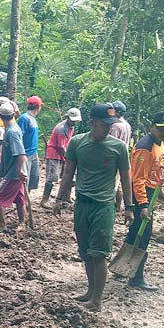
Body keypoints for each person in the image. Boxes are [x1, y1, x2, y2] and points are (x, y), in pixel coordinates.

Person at [53, 103, 135, 312]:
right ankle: (90, 292)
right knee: (86, 251)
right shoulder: (77, 143)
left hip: (104, 206)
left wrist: (129, 206)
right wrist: (60, 199)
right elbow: (68, 173)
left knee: (99, 253)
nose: (108, 128)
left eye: (111, 124)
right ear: (92, 122)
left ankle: (97, 300)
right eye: (104, 124)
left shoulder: (119, 147)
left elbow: (126, 178)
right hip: (82, 204)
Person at [123, 111, 164, 291]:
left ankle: (122, 267)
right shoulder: (145, 147)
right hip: (141, 195)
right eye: (161, 129)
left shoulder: (160, 144)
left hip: (151, 192)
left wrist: (161, 191)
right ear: (152, 127)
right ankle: (136, 277)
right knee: (143, 234)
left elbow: (155, 171)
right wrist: (143, 205)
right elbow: (138, 179)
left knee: (136, 231)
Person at [0, 102, 28, 231]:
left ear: (0, 116)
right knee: (19, 198)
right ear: (13, 115)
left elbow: (21, 154)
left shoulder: (12, 132)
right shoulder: (11, 129)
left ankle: (2, 226)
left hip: (13, 173)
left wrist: (19, 171)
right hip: (12, 171)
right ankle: (22, 223)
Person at [40, 108, 82, 208]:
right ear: (68, 118)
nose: (74, 122)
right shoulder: (61, 129)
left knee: (67, 176)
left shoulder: (71, 127)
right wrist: (68, 158)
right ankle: (44, 200)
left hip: (63, 153)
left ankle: (66, 196)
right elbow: (60, 146)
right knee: (52, 177)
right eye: (73, 120)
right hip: (55, 154)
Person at [109, 100, 133, 210]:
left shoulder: (115, 126)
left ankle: (112, 206)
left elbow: (111, 142)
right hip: (123, 157)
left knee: (112, 183)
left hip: (114, 157)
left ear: (117, 111)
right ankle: (119, 207)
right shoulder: (127, 125)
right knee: (119, 182)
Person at [17, 95, 43, 190]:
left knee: (34, 177)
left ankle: (27, 201)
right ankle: (23, 201)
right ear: (38, 107)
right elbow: (19, 137)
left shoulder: (32, 118)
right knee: (25, 179)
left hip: (33, 152)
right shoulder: (24, 118)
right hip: (26, 153)